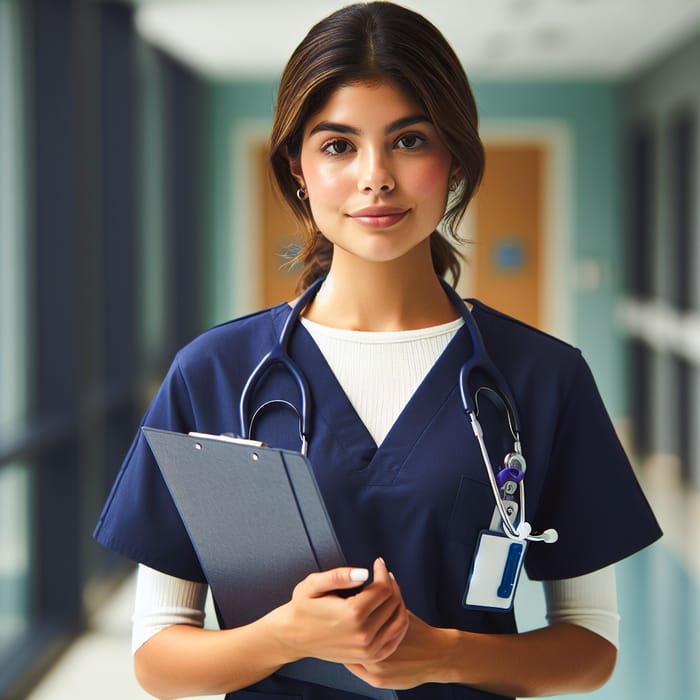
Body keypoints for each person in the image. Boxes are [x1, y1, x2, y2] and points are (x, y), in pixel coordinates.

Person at [94, 2, 662, 699]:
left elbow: (590, 645)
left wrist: (442, 655)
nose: (376, 177)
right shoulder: (214, 374)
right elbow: (157, 658)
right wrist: (286, 637)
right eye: (337, 145)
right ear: (297, 168)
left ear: (454, 159)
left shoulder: (542, 378)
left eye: (410, 141)